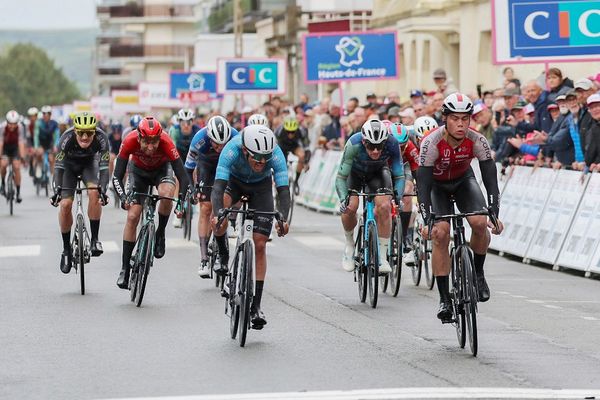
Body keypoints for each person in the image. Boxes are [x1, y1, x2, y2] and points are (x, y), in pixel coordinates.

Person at [417, 93, 503, 323]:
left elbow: (490, 178)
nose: (461, 124)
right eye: (455, 119)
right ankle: (444, 298)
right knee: (440, 233)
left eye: (465, 119)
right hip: (436, 187)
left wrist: (493, 211)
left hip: (464, 181)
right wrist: (427, 220)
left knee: (478, 222)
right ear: (445, 119)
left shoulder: (477, 140)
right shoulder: (431, 143)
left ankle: (478, 272)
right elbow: (423, 185)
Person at [210, 125, 290, 329]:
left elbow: (282, 190)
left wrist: (284, 218)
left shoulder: (275, 154)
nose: (262, 162)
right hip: (234, 183)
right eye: (257, 158)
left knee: (260, 244)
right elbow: (218, 187)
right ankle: (224, 258)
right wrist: (219, 212)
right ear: (245, 150)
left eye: (265, 158)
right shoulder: (231, 150)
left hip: (261, 188)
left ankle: (256, 306)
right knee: (217, 219)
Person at [112, 116, 190, 288]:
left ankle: (160, 232)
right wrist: (123, 197)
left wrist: (180, 203)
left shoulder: (167, 142)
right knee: (133, 216)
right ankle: (125, 269)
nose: (150, 147)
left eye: (154, 142)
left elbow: (184, 178)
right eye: (146, 142)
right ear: (139, 137)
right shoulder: (129, 140)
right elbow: (117, 176)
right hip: (138, 172)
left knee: (166, 193)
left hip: (161, 171)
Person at [336, 119, 406, 274]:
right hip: (355, 174)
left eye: (379, 146)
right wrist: (343, 199)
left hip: (378, 173)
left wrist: (398, 196)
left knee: (384, 206)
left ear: (385, 142)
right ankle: (349, 244)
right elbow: (341, 177)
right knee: (350, 207)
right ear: (363, 141)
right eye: (370, 146)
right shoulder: (353, 144)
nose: (375, 151)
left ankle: (382, 256)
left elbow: (399, 175)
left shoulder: (392, 143)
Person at [50, 112, 110, 274]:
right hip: (68, 168)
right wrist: (56, 189)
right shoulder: (66, 138)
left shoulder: (102, 138)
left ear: (94, 131)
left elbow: (104, 168)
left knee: (94, 193)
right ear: (75, 131)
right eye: (81, 132)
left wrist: (103, 189)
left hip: (89, 166)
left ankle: (95, 239)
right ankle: (66, 250)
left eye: (89, 133)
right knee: (65, 204)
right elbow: (58, 168)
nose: (85, 136)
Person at [184, 115, 239, 278]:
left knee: (224, 204)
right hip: (207, 166)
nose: (220, 147)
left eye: (224, 143)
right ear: (209, 137)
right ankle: (203, 258)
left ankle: (221, 243)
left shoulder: (236, 137)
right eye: (216, 143)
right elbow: (188, 168)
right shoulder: (199, 139)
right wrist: (193, 189)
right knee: (206, 208)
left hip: (228, 166)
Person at [390, 123, 420, 263]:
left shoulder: (411, 148)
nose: (399, 150)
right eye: (396, 146)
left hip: (404, 165)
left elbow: (417, 172)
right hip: (385, 163)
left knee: (407, 192)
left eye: (402, 147)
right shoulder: (383, 146)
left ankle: (406, 235)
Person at [169, 108, 199, 228]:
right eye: (183, 122)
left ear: (193, 122)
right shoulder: (174, 131)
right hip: (179, 157)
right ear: (179, 122)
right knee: (178, 179)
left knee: (196, 173)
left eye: (189, 122)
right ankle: (178, 208)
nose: (186, 125)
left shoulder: (197, 131)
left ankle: (194, 197)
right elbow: (172, 150)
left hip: (193, 157)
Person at [274, 116, 310, 194]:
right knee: (281, 162)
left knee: (302, 155)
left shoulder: (301, 131)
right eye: (288, 132)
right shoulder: (279, 131)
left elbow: (307, 148)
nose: (290, 134)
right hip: (282, 146)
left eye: (293, 132)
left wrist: (306, 162)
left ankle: (296, 181)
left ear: (296, 129)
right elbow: (274, 147)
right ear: (285, 129)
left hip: (294, 146)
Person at [0, 110, 26, 203]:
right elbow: (1, 143)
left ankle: (18, 192)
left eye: (14, 123)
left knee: (16, 167)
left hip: (15, 148)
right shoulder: (2, 127)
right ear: (7, 122)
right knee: (3, 164)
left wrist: (22, 157)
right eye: (10, 123)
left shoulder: (20, 127)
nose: (12, 126)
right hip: (5, 148)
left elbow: (21, 142)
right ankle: (3, 183)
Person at [34, 105, 60, 178]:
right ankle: (39, 167)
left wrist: (55, 145)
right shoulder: (38, 123)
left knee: (51, 159)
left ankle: (52, 178)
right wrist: (36, 146)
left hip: (50, 143)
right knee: (39, 154)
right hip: (41, 143)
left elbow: (57, 136)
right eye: (44, 113)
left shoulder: (54, 123)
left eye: (47, 113)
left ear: (50, 114)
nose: (45, 115)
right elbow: (36, 135)